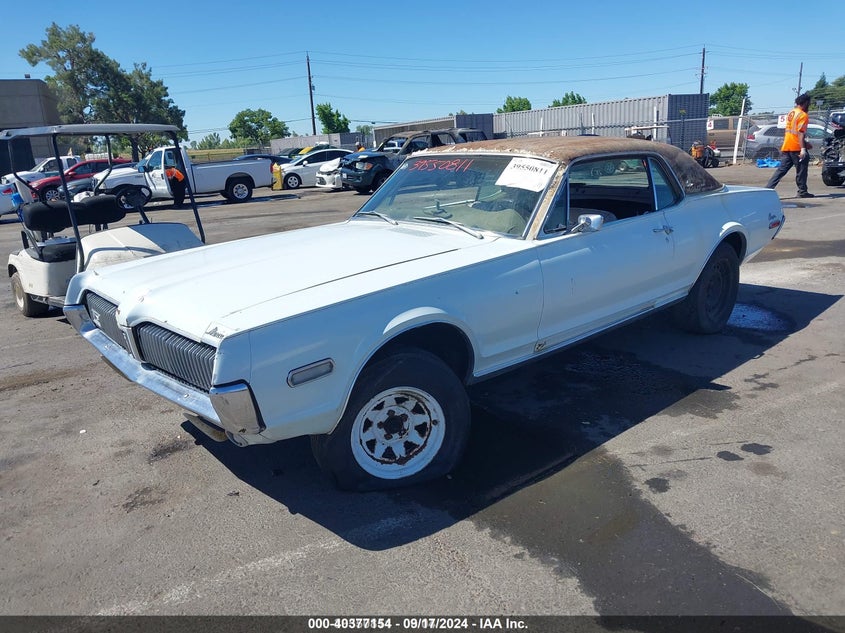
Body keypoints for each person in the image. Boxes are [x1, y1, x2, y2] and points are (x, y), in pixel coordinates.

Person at [765, 93, 814, 198]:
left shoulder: (792, 112)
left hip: (787, 145)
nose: (809, 105)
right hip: (797, 147)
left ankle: (767, 189)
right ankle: (802, 192)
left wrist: (805, 143)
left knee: (781, 170)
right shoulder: (803, 115)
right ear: (805, 103)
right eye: (809, 103)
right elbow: (800, 133)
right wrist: (803, 149)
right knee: (801, 170)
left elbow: (792, 132)